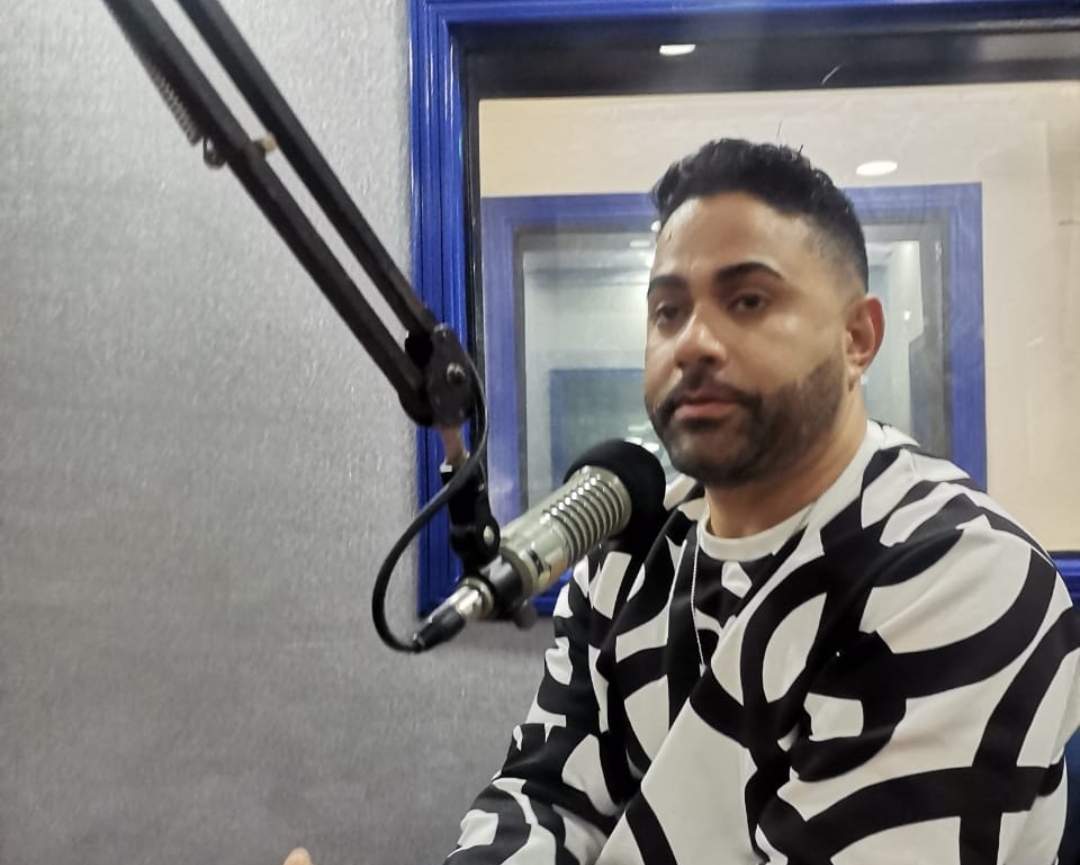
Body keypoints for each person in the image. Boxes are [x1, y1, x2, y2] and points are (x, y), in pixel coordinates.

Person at [289, 139, 1080, 864]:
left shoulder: (964, 575)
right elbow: (544, 798)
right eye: (668, 310)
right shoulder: (629, 550)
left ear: (858, 338)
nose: (692, 341)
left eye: (748, 300)